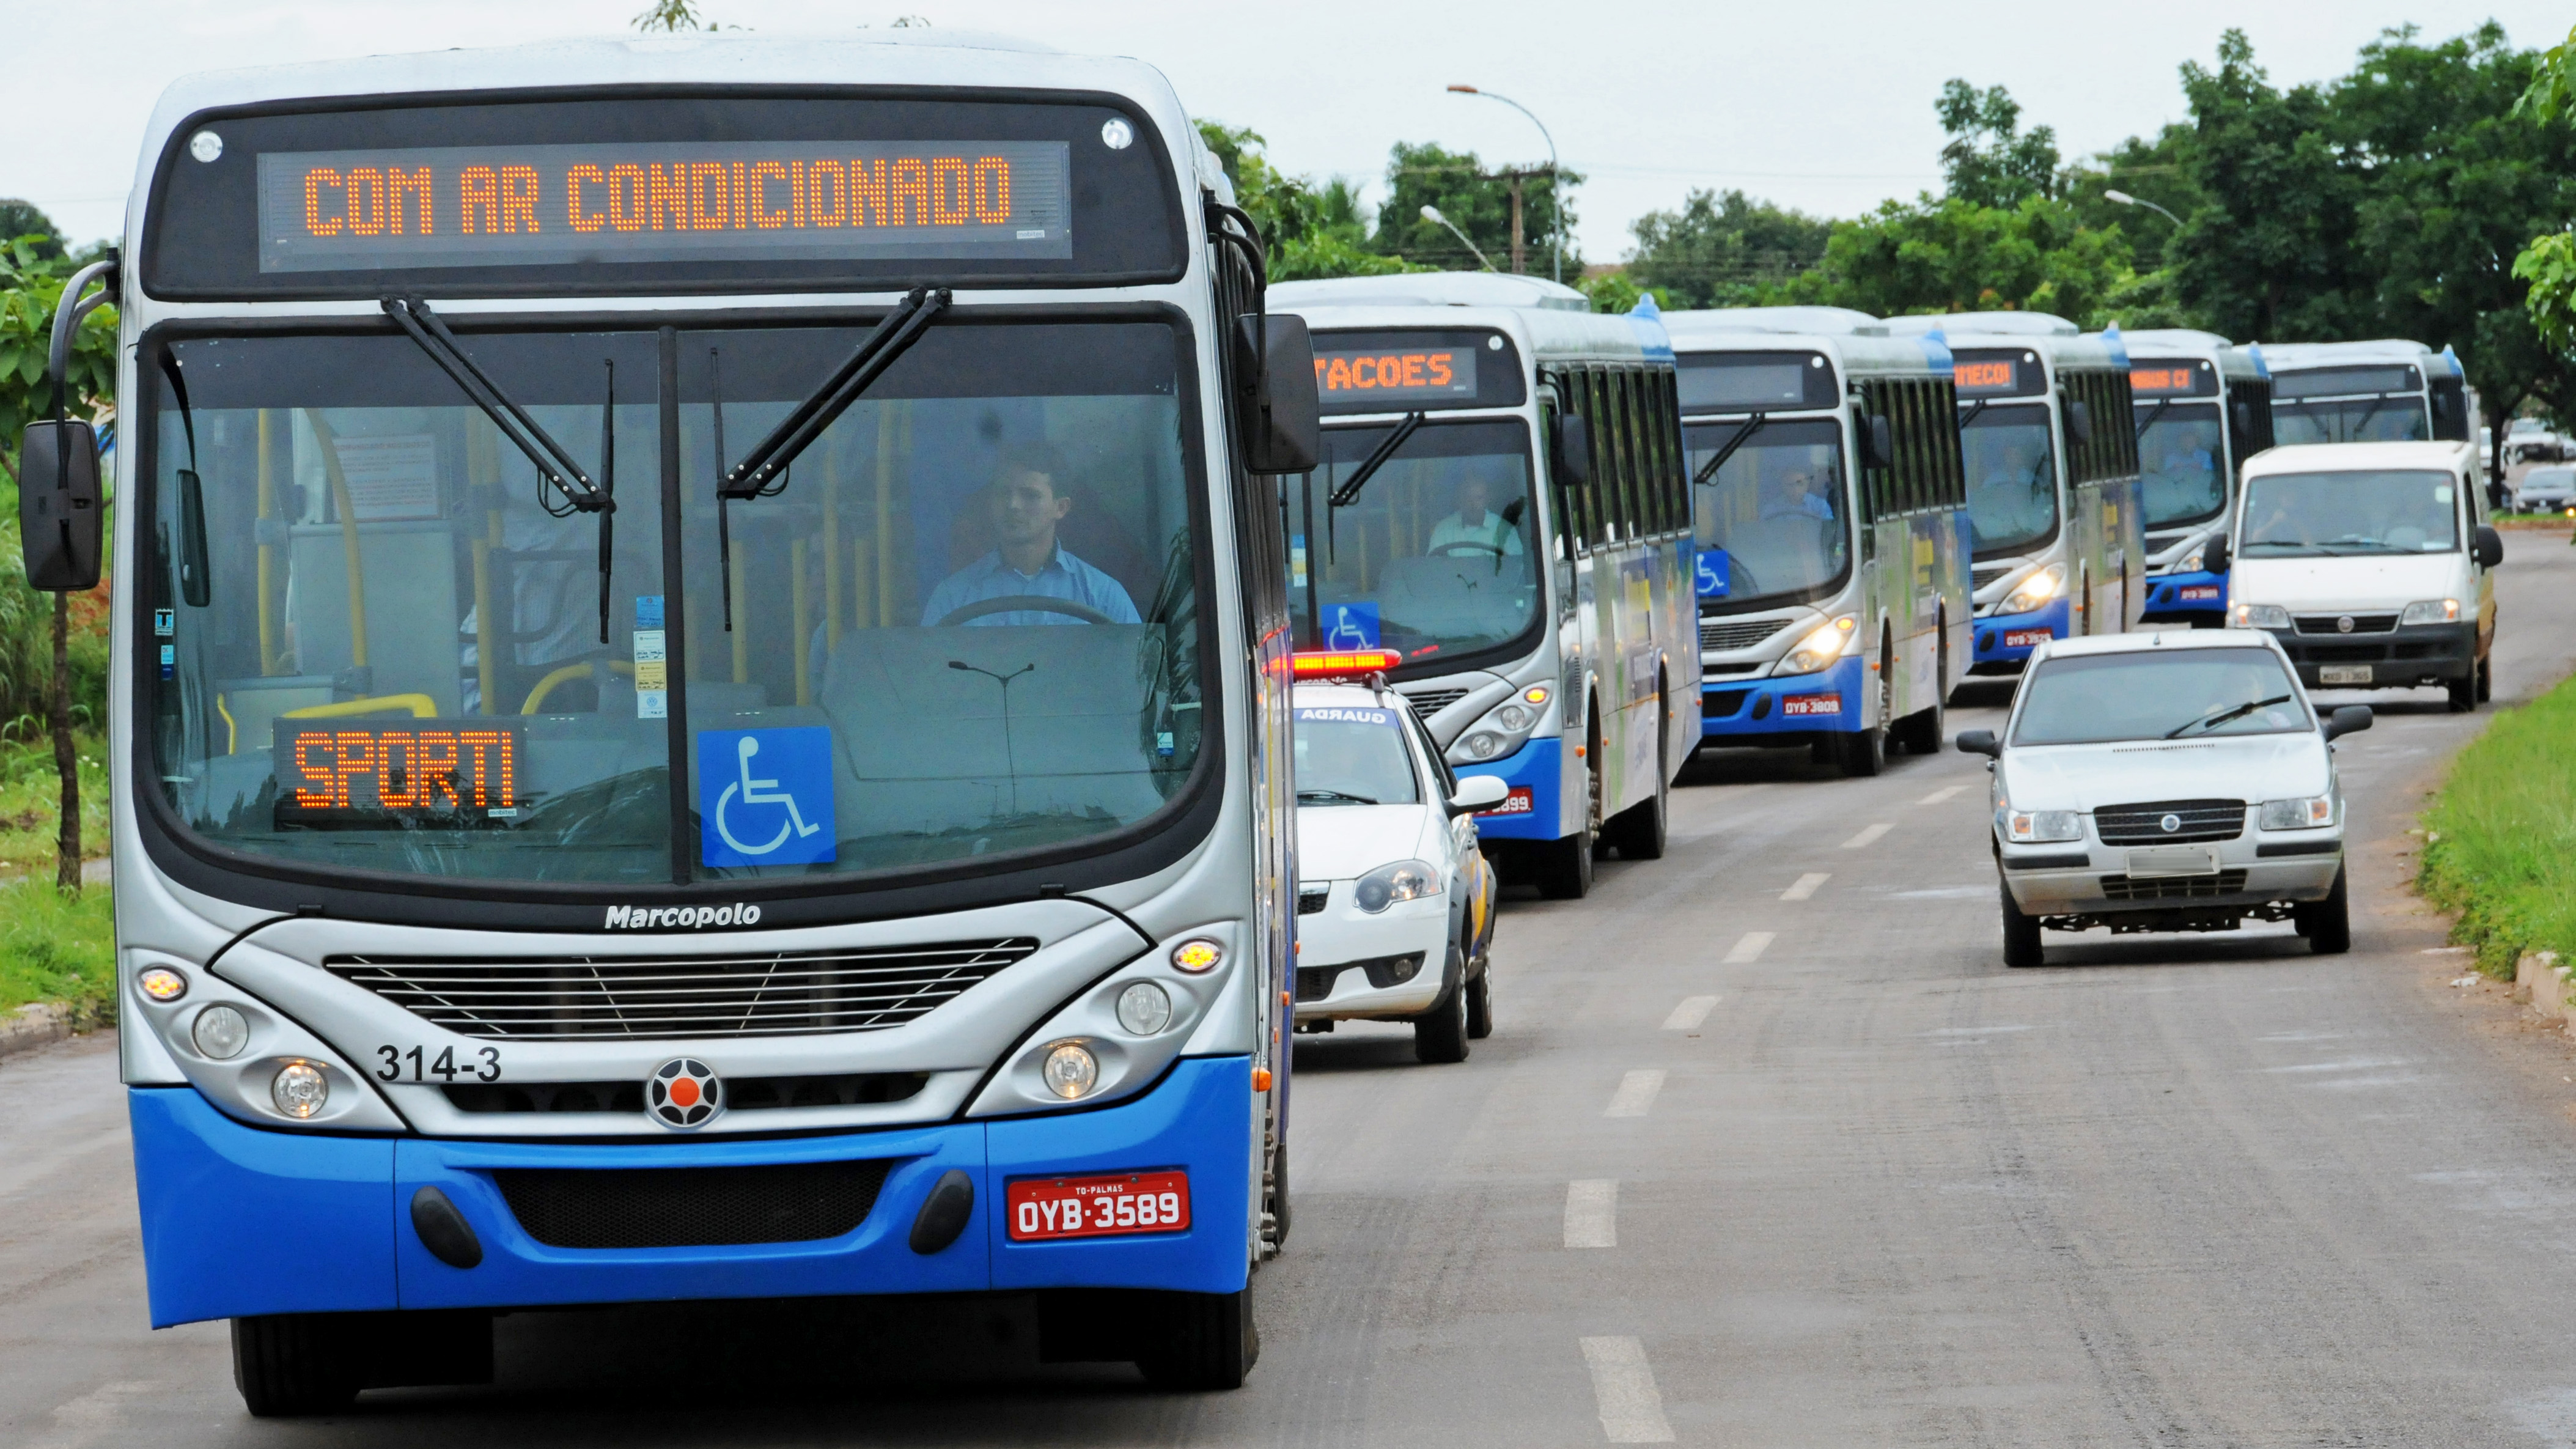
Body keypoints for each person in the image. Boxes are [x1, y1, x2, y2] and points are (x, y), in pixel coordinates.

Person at [921, 443, 1141, 627]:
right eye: (1004, 493)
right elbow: (930, 673)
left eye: (1030, 495)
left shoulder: (1104, 596)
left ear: (1061, 508)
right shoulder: (951, 598)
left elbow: (1137, 672)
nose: (1013, 505)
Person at [1424, 471, 1524, 556]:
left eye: (1478, 498)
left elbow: (1517, 568)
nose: (1473, 504)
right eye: (1467, 498)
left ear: (1488, 499)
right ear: (1459, 500)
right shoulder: (1443, 530)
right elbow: (1434, 569)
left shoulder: (1505, 530)